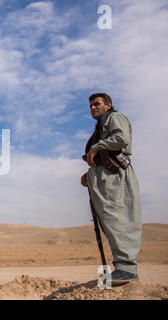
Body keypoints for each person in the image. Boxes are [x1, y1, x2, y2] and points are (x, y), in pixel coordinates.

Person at [81, 93, 142, 285]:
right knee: (109, 220)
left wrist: (96, 147)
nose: (93, 108)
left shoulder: (115, 117)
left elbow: (120, 138)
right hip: (103, 176)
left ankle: (127, 268)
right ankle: (122, 267)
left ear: (108, 105)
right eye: (90, 105)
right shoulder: (101, 124)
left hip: (114, 175)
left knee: (118, 217)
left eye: (97, 104)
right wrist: (90, 174)